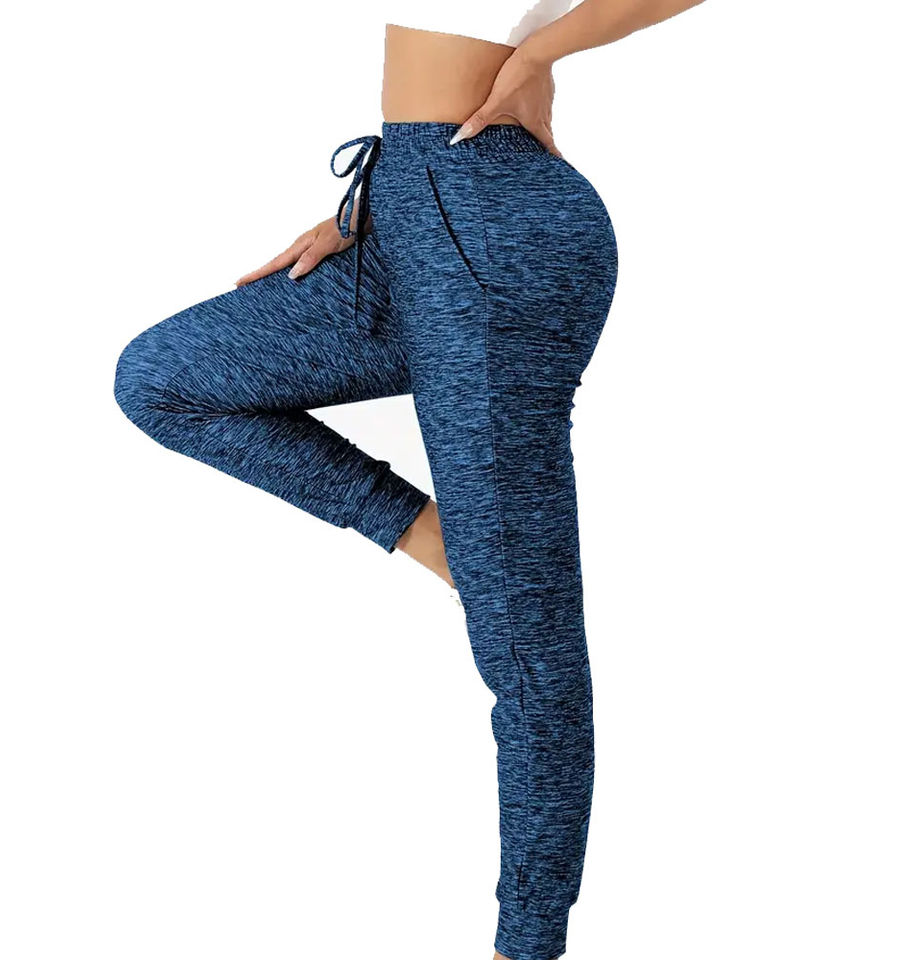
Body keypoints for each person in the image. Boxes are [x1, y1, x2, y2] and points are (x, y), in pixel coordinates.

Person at [114, 2, 706, 957]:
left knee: (524, 647)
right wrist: (380, 205)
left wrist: (541, 54)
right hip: (410, 217)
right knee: (162, 379)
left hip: (490, 230)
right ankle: (440, 538)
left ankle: (527, 943)